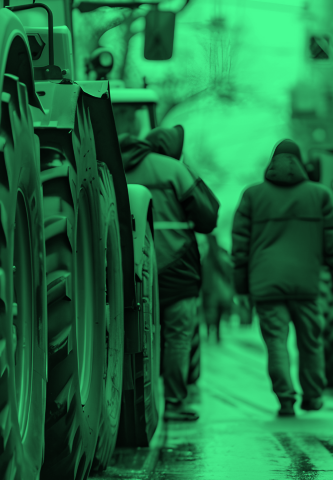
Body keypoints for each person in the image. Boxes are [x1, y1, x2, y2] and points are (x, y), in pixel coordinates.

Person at [232, 139, 333, 417]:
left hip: (266, 284)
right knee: (310, 342)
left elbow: (240, 247)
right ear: (301, 164)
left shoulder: (252, 195)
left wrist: (242, 288)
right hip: (306, 284)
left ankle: (285, 399)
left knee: (276, 343)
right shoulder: (320, 196)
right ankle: (313, 396)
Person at [118, 127, 220, 422]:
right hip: (176, 267)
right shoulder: (174, 170)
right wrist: (187, 168)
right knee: (177, 335)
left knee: (129, 332)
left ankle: (131, 401)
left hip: (130, 264)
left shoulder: (114, 167)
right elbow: (208, 217)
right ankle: (174, 402)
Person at [200, 234, 235, 342]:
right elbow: (229, 271)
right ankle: (216, 334)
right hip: (217, 289)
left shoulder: (206, 257)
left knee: (210, 311)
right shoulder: (220, 255)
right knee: (216, 312)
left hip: (210, 289)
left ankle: (210, 332)